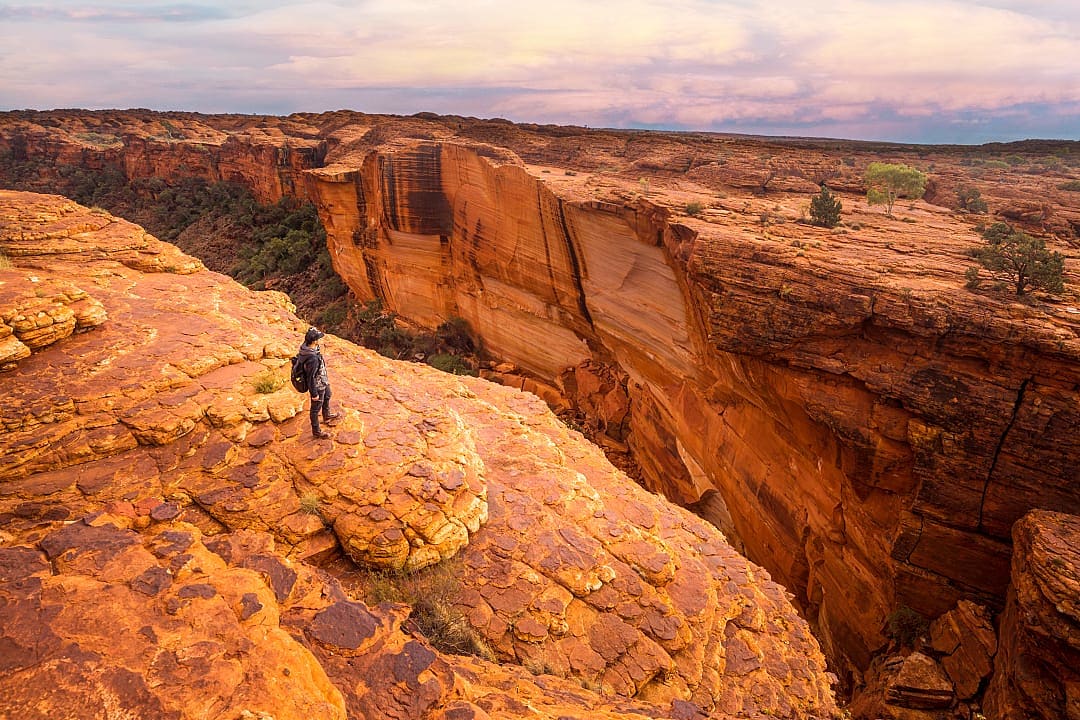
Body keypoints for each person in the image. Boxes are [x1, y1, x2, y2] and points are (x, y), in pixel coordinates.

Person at [297, 327, 340, 439]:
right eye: (318, 339)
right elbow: (310, 377)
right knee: (315, 409)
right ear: (314, 341)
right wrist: (314, 393)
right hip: (317, 385)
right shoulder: (312, 358)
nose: (319, 340)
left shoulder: (307, 348)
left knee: (328, 395)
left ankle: (327, 416)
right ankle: (316, 431)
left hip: (323, 380)